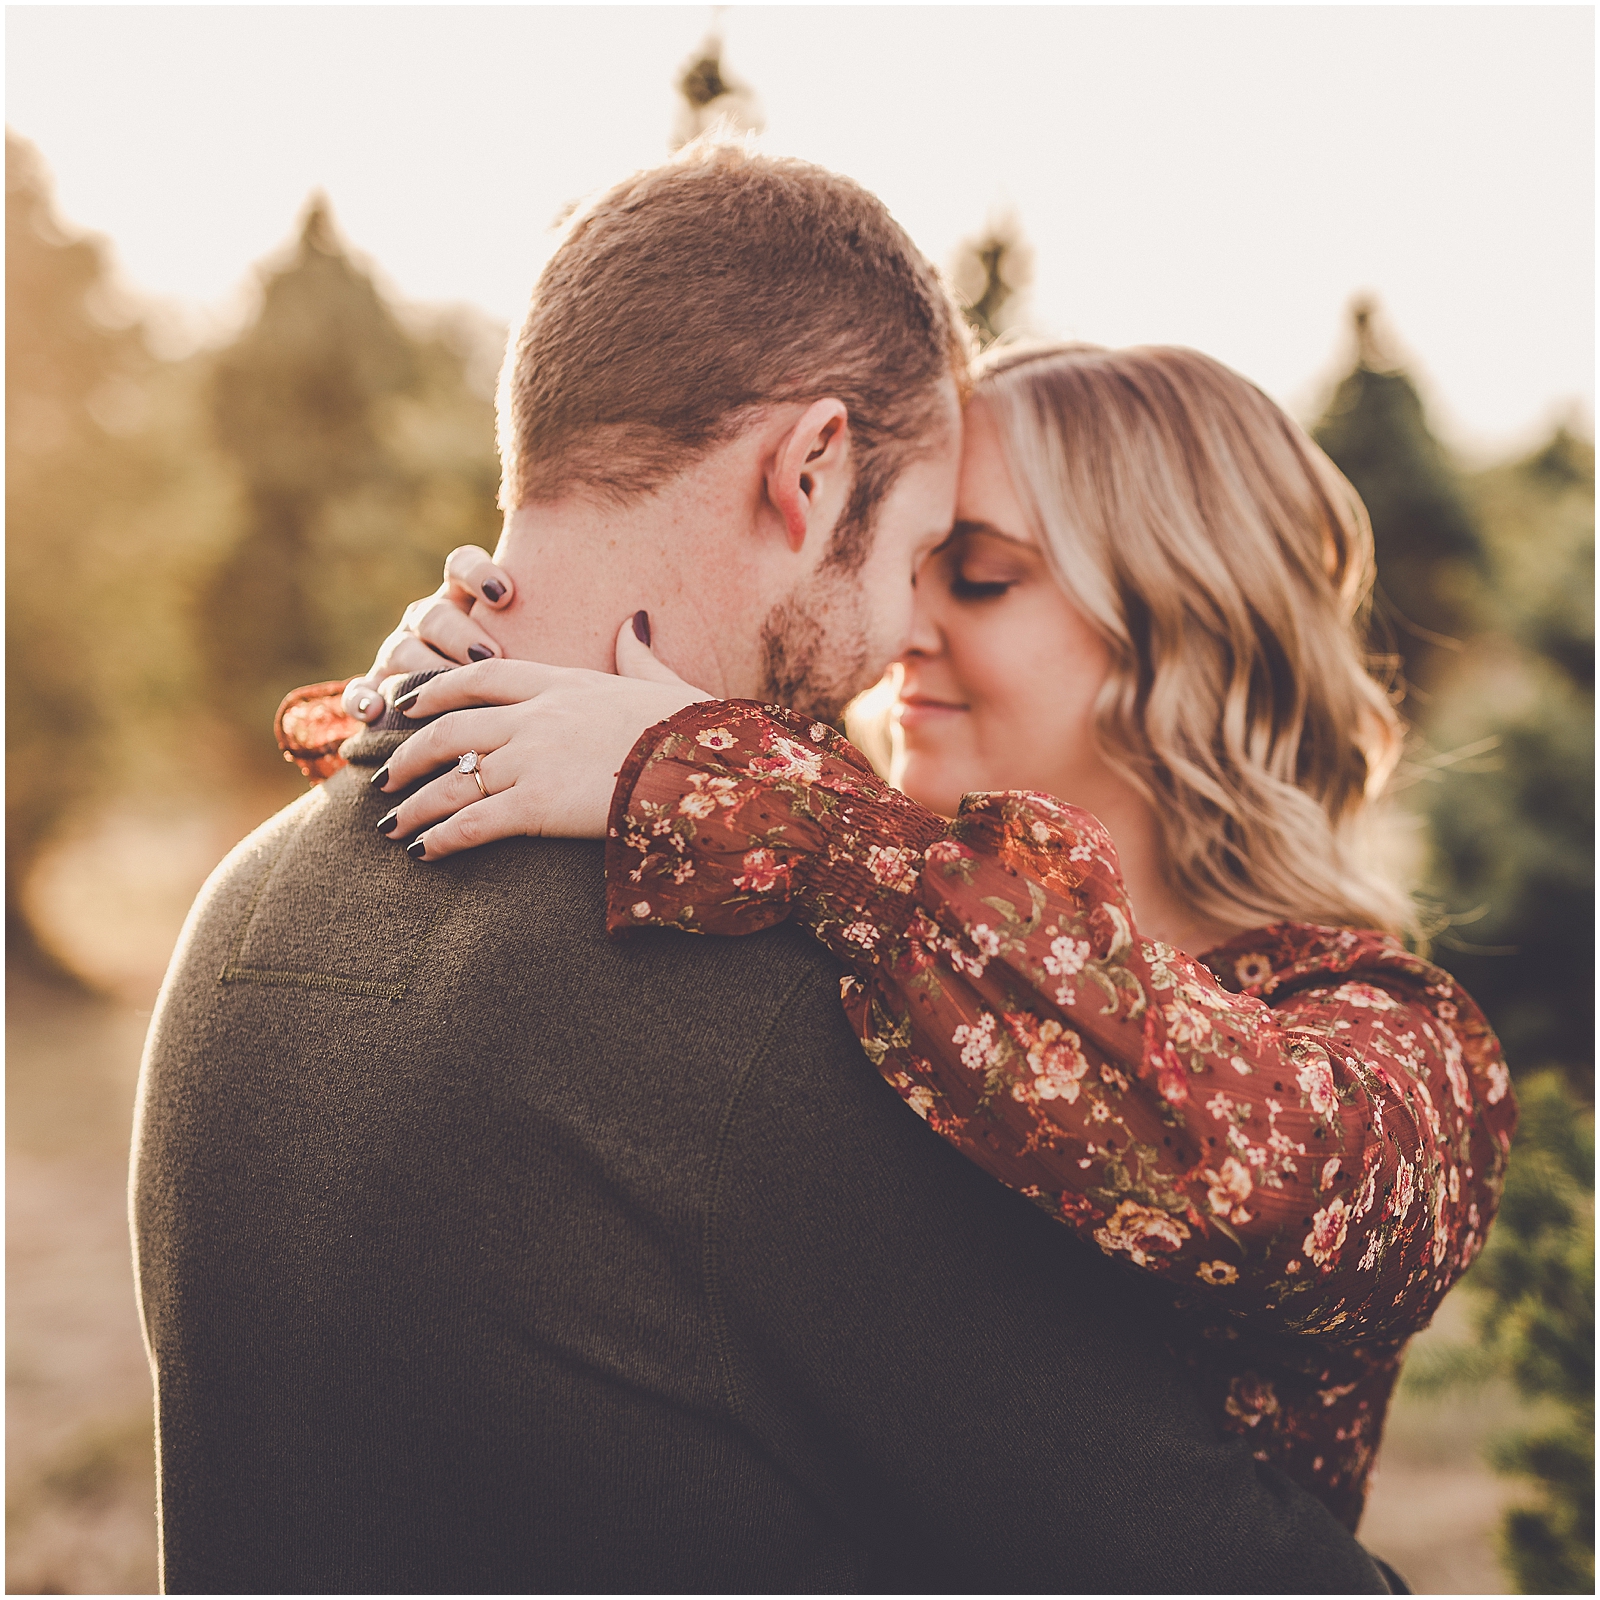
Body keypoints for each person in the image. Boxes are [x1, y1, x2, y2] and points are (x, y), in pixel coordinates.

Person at [134, 143, 1394, 1593]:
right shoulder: (796, 1016)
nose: (912, 630)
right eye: (928, 554)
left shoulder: (243, 909)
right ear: (808, 474)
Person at [303, 341, 1515, 1552]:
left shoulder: (1393, 1033)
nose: (900, 630)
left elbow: (1270, 1184)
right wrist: (463, 690)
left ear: (1191, 630)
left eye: (979, 579)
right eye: (908, 563)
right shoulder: (841, 891)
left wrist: (774, 797)